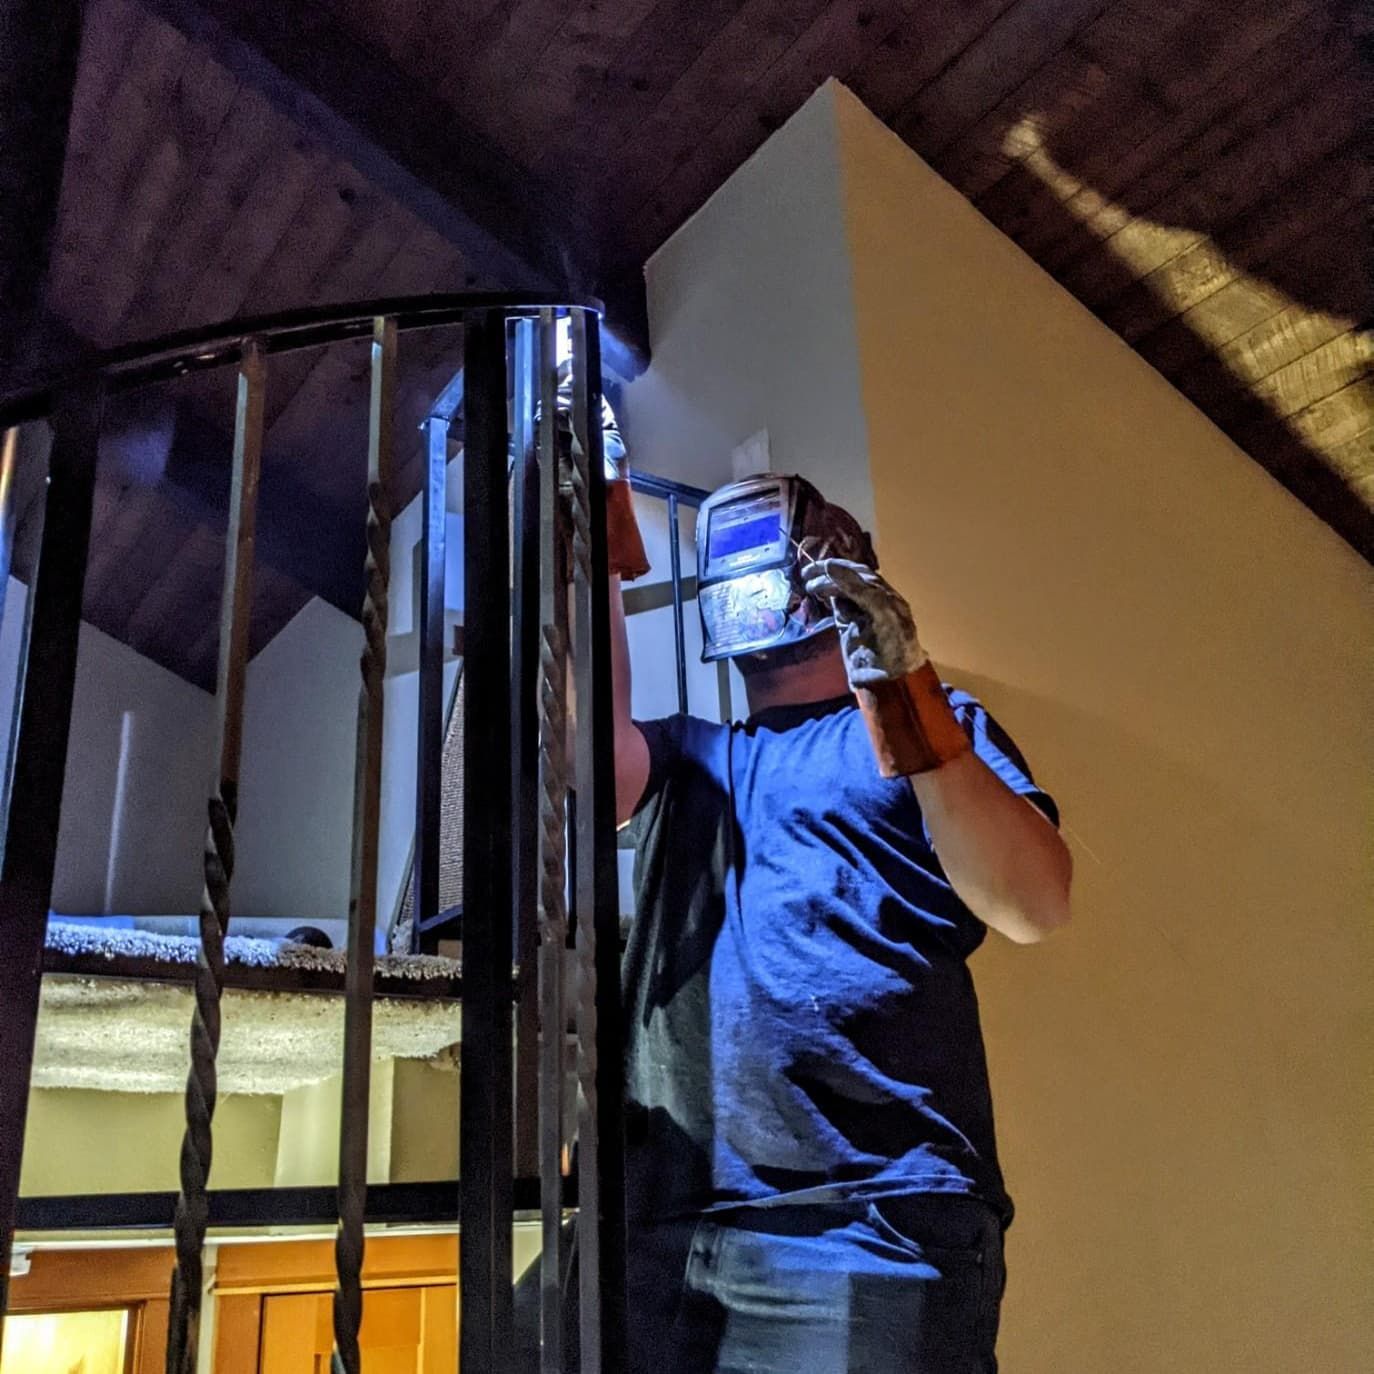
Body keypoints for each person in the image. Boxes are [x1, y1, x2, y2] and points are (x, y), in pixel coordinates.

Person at [604, 460, 1072, 1374]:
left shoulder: (940, 731)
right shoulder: (687, 758)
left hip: (872, 1222)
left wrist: (905, 689)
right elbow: (585, 761)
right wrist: (596, 536)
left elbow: (1033, 902)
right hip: (667, 1220)